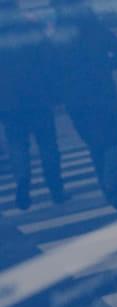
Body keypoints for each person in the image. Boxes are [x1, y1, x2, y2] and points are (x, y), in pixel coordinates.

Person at [51, 0, 117, 211]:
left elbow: (52, 71)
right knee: (112, 139)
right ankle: (113, 185)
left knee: (95, 144)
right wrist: (107, 67)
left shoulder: (58, 35)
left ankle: (106, 187)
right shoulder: (95, 27)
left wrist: (59, 94)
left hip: (76, 99)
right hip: (103, 92)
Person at [0, 0, 67, 210]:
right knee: (48, 144)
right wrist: (55, 92)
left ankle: (22, 180)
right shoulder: (30, 26)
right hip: (38, 97)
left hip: (8, 102)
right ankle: (56, 188)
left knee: (17, 145)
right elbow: (50, 59)